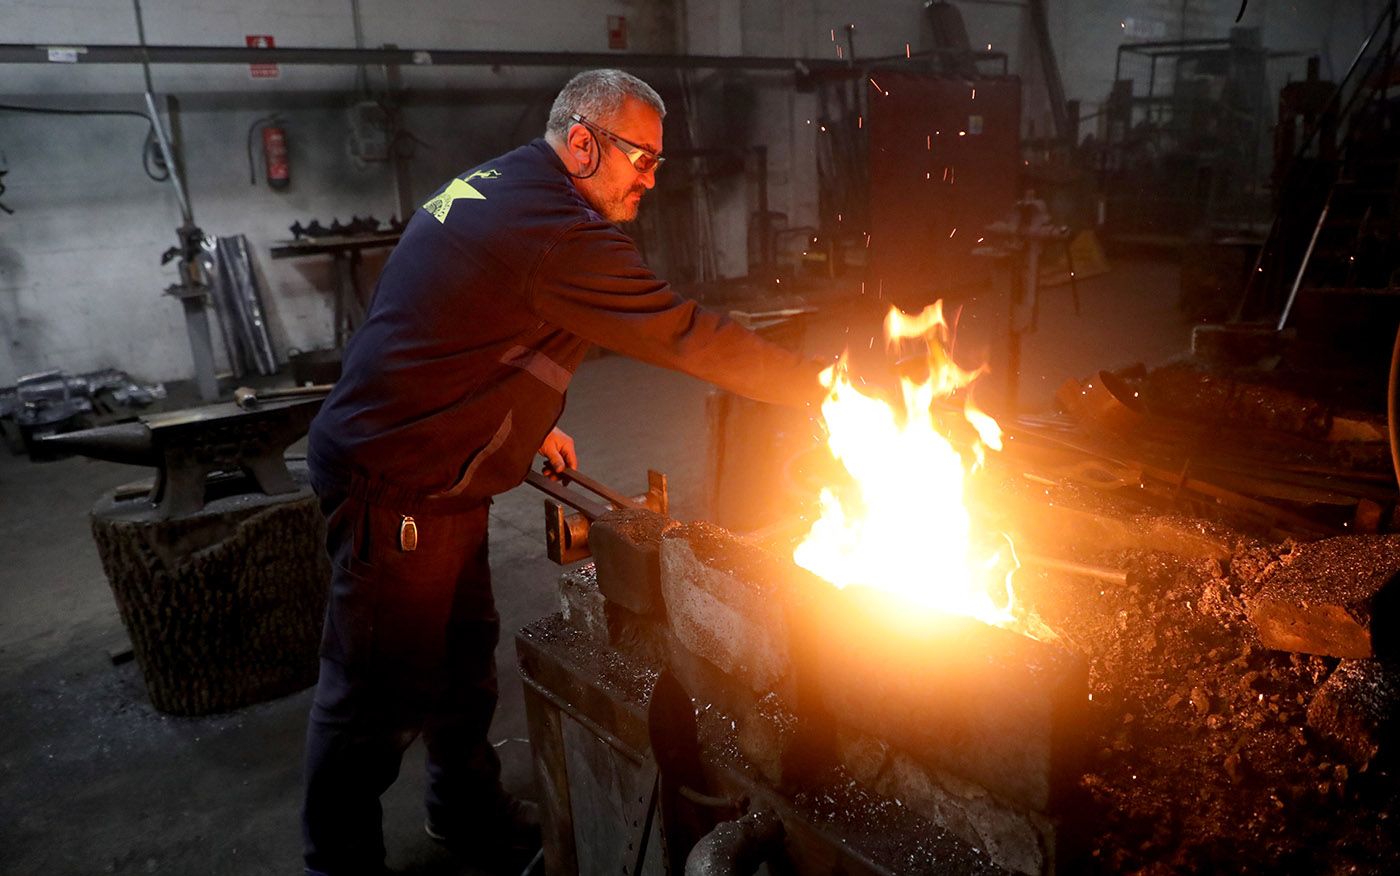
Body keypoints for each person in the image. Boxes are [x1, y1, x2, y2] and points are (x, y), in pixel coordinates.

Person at [300, 68, 823, 876]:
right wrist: (828, 389)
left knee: (462, 659)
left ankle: (463, 810)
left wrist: (521, 423)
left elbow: (453, 319)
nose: (650, 178)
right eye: (640, 158)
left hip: (448, 471)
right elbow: (683, 335)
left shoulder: (502, 185)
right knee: (375, 695)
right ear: (582, 141)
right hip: (397, 480)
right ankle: (336, 861)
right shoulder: (552, 232)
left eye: (656, 163)